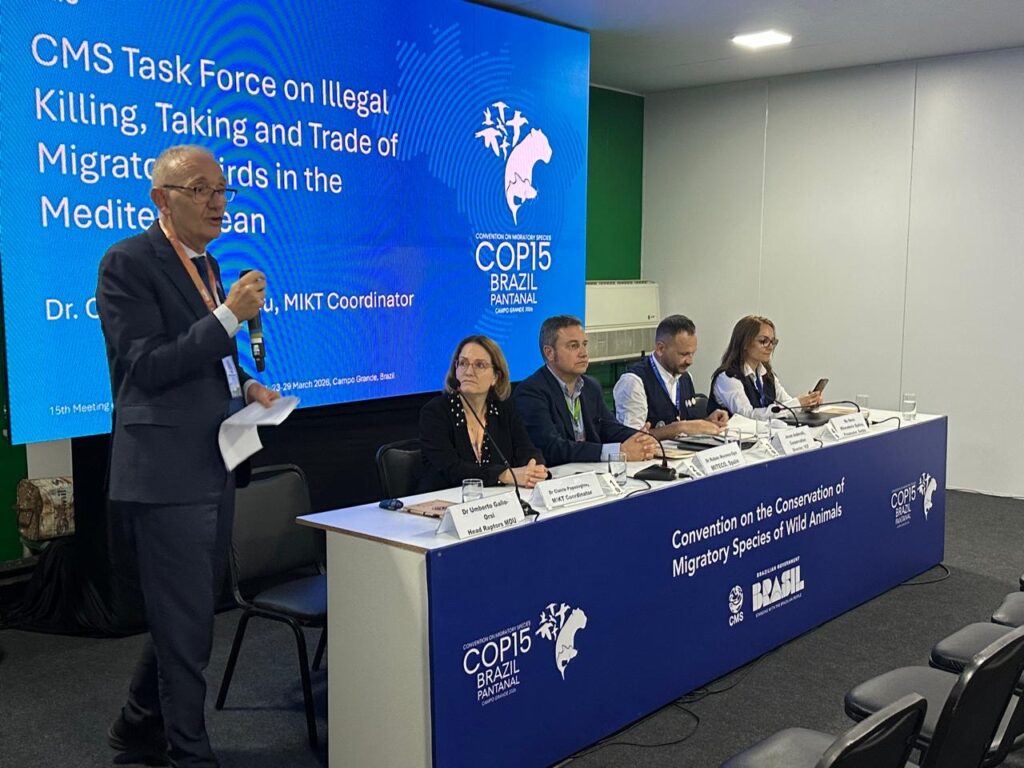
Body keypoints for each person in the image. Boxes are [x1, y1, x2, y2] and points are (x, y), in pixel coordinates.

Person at [96, 145, 279, 768]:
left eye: (222, 190)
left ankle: (136, 724)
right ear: (161, 199)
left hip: (214, 460)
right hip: (166, 473)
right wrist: (228, 316)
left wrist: (245, 388)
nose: (217, 203)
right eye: (201, 190)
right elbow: (145, 366)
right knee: (187, 623)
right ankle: (190, 755)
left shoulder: (209, 265)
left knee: (186, 612)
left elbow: (207, 360)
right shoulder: (127, 262)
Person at [513, 315, 658, 466]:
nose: (583, 353)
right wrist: (618, 451)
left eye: (584, 344)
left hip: (591, 470)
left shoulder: (590, 386)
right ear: (549, 353)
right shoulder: (531, 392)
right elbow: (552, 447)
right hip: (556, 475)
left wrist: (640, 438)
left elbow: (609, 428)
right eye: (573, 346)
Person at [418, 335, 547, 492]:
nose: (468, 372)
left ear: (495, 377)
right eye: (463, 363)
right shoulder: (435, 412)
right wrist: (504, 475)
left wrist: (535, 468)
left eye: (479, 365)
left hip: (494, 500)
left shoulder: (504, 409)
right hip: (445, 500)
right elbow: (451, 469)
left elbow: (527, 449)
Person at [613, 314, 729, 441]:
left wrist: (707, 423)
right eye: (683, 354)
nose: (690, 361)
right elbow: (632, 438)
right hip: (653, 453)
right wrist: (679, 428)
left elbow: (687, 426)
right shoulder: (633, 381)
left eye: (692, 353)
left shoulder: (685, 377)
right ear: (660, 348)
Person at [707, 315, 822, 420]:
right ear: (745, 343)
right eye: (763, 341)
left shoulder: (767, 374)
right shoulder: (727, 377)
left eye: (772, 342)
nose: (770, 347)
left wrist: (806, 405)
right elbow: (747, 415)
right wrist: (797, 404)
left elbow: (786, 403)